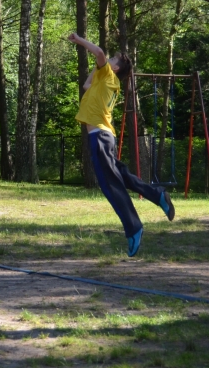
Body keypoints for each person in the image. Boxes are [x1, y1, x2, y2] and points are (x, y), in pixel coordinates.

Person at [67, 32, 175, 256]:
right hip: (105, 136)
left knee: (110, 185)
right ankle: (157, 195)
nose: (108, 59)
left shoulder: (108, 76)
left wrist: (79, 40)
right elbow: (86, 85)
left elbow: (98, 52)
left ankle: (133, 227)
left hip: (100, 136)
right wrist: (98, 67)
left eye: (112, 59)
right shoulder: (105, 79)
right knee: (121, 177)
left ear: (114, 68)